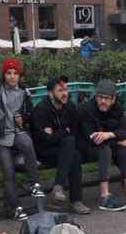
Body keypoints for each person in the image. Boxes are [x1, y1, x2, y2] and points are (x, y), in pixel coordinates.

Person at [0, 57, 40, 220]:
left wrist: (24, 119)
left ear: (20, 75)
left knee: (27, 142)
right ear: (4, 75)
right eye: (9, 73)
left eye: (15, 73)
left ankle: (34, 183)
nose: (12, 76)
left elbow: (30, 115)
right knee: (9, 171)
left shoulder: (23, 91)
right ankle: (15, 207)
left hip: (16, 132)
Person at [79, 79, 126, 212]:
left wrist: (111, 135)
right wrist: (116, 139)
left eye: (107, 98)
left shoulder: (117, 109)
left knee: (123, 148)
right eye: (100, 97)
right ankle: (104, 197)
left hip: (108, 142)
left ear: (113, 99)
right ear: (96, 96)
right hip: (86, 146)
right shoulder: (87, 109)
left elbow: (125, 132)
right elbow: (92, 137)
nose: (103, 101)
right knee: (105, 150)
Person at [30, 76, 89, 214]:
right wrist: (64, 132)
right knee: (70, 146)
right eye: (60, 90)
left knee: (73, 153)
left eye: (66, 90)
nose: (65, 93)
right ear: (50, 93)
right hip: (45, 152)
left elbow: (75, 131)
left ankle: (59, 187)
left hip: (64, 151)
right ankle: (75, 200)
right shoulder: (41, 109)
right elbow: (44, 139)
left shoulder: (70, 106)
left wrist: (56, 133)